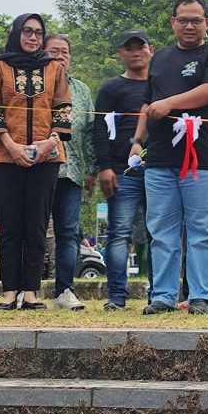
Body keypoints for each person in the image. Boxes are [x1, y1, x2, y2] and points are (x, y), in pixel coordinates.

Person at [129, 0, 208, 316]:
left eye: (196, 20)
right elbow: (149, 104)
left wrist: (171, 104)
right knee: (161, 230)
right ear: (173, 22)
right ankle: (163, 294)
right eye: (183, 20)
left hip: (201, 159)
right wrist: (136, 141)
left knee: (202, 230)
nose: (189, 26)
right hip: (159, 159)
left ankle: (201, 295)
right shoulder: (159, 58)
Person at [0, 14, 72, 310]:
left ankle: (31, 292)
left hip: (47, 156)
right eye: (27, 31)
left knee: (36, 224)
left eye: (38, 32)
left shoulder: (54, 69)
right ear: (16, 33)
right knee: (9, 225)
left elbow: (63, 110)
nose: (32, 37)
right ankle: (9, 292)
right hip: (3, 155)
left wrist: (49, 143)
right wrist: (10, 146)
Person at [93, 30, 153, 310]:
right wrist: (105, 167)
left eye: (140, 47)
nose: (136, 52)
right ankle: (116, 296)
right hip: (121, 171)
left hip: (159, 170)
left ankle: (160, 294)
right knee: (119, 233)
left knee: (160, 234)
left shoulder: (163, 85)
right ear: (121, 54)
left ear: (150, 50)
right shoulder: (110, 89)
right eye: (129, 48)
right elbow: (99, 130)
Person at [42, 33, 94, 311]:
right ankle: (26, 290)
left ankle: (65, 289)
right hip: (36, 169)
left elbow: (89, 133)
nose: (59, 56)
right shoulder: (33, 86)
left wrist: (92, 170)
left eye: (64, 52)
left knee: (68, 232)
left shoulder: (82, 90)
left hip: (71, 172)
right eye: (53, 51)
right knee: (33, 230)